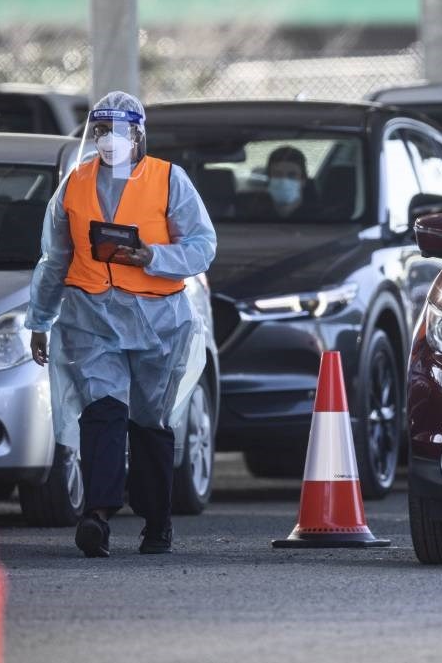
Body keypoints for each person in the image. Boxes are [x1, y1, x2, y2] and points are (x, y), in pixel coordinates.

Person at [25, 91, 217, 558]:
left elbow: (202, 245)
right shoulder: (74, 185)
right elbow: (55, 259)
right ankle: (98, 515)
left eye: (119, 131)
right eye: (101, 131)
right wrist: (40, 320)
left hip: (158, 321)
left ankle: (157, 523)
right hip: (92, 319)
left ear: (138, 134)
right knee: (103, 413)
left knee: (150, 421)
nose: (109, 141)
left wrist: (153, 256)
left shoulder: (169, 180)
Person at [249, 145, 320, 220]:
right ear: (269, 179)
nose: (284, 181)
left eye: (292, 175)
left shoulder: (321, 217)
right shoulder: (252, 212)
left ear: (303, 180)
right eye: (277, 174)